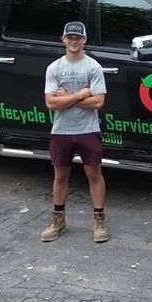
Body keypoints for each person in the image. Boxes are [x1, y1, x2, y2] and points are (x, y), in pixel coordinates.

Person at [42, 20, 108, 243]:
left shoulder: (93, 67)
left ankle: (99, 219)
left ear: (84, 40)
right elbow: (51, 103)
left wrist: (66, 99)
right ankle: (58, 219)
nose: (73, 41)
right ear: (63, 39)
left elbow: (98, 101)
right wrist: (81, 95)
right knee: (60, 175)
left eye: (77, 37)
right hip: (61, 130)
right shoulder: (54, 68)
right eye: (69, 37)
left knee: (94, 174)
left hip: (88, 129)